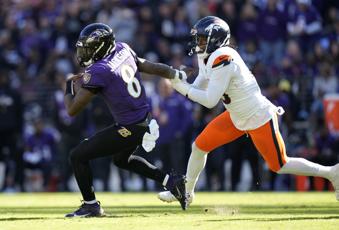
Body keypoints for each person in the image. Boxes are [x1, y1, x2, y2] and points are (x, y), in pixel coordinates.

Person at [158, 16, 339, 206]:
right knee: (199, 147)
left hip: (257, 116)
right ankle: (187, 192)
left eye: (202, 39)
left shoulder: (223, 58)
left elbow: (210, 101)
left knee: (280, 164)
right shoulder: (207, 55)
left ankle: (332, 173)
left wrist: (181, 87)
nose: (198, 43)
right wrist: (182, 82)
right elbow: (198, 87)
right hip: (236, 116)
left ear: (215, 40)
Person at [64, 23, 189, 217]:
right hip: (145, 120)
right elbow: (150, 66)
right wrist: (174, 73)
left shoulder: (99, 70)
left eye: (87, 48)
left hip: (131, 126)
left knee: (77, 156)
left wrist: (68, 88)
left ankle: (91, 205)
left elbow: (72, 110)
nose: (83, 53)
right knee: (122, 160)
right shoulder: (122, 48)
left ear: (100, 47)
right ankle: (172, 182)